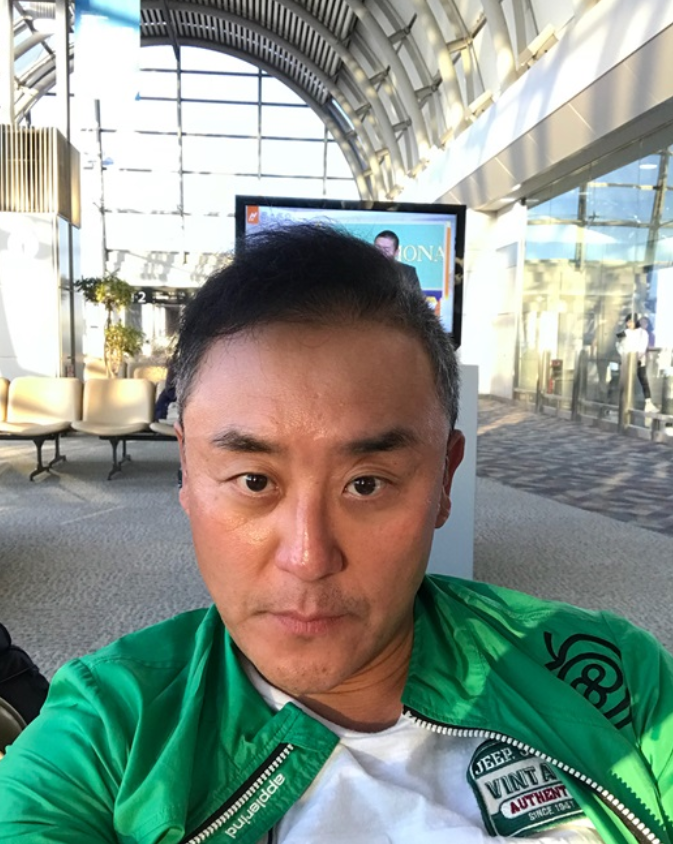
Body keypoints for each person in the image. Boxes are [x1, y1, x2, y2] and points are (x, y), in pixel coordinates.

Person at [0, 225, 672, 844]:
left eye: (367, 484)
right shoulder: (109, 728)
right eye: (254, 481)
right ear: (188, 469)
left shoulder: (611, 678)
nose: (309, 557)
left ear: (444, 480)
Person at [615, 313, 659, 413]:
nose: (629, 324)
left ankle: (648, 403)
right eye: (628, 322)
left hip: (638, 361)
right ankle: (621, 402)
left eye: (631, 322)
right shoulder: (624, 332)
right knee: (623, 382)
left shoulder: (643, 333)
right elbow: (617, 342)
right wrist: (623, 353)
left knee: (643, 381)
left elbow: (642, 347)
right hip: (626, 360)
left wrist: (636, 356)